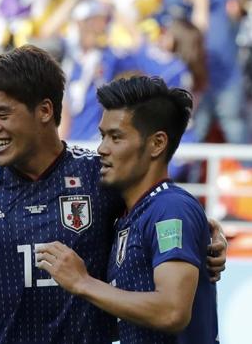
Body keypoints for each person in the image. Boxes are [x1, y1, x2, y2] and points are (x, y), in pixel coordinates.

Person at [0, 45, 227, 343]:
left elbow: (159, 210)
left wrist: (206, 234)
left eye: (2, 113)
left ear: (45, 111)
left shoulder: (99, 176)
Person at [35, 76, 218, 343]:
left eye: (116, 137)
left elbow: (172, 311)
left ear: (157, 144)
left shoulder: (171, 208)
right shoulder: (132, 214)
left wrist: (83, 282)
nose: (102, 149)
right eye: (102, 136)